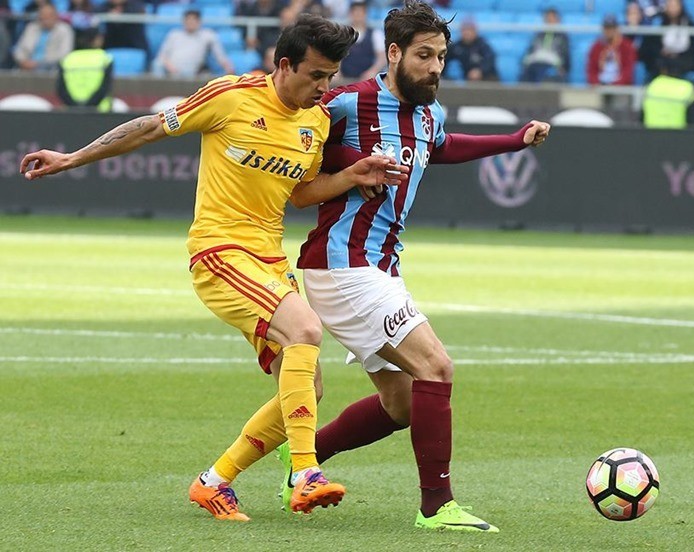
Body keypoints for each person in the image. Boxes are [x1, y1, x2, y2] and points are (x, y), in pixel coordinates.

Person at [19, 14, 407, 522]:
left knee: (306, 388)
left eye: (331, 76)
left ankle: (214, 481)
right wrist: (72, 158)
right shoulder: (231, 96)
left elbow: (299, 195)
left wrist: (352, 175)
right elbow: (149, 128)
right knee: (306, 330)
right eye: (316, 75)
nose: (323, 87)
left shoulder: (313, 123)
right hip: (220, 252)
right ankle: (305, 472)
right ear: (284, 64)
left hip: (268, 260)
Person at [276, 0, 548, 532]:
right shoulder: (345, 103)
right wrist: (351, 166)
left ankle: (304, 459)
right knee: (436, 367)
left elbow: (442, 147)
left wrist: (513, 140)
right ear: (394, 52)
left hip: (379, 268)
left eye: (441, 57)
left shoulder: (429, 114)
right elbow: (298, 152)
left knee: (401, 405)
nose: (435, 67)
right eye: (424, 55)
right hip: (343, 265)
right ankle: (437, 507)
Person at [153, 9, 234, 77]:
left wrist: (228, 68)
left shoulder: (207, 35)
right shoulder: (174, 34)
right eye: (188, 20)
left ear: (199, 21)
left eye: (193, 20)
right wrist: (171, 68)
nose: (190, 22)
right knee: (157, 63)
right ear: (184, 21)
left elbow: (220, 55)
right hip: (170, 69)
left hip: (190, 71)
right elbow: (162, 55)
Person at [639, 0, 694, 81]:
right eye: (670, 5)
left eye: (675, 5)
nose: (673, 9)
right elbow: (651, 45)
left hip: (683, 58)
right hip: (664, 58)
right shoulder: (659, 23)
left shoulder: (690, 24)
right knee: (656, 61)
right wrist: (662, 51)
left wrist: (677, 54)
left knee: (690, 61)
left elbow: (692, 48)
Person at [56, 29, 113, 111]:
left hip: (72, 111)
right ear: (97, 40)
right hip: (99, 111)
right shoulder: (105, 58)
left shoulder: (67, 59)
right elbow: (105, 87)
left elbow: (61, 89)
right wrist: (89, 106)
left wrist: (75, 107)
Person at [13, 3, 75, 71]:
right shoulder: (31, 28)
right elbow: (19, 49)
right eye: (43, 16)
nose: (46, 19)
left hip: (52, 69)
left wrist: (38, 64)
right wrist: (23, 61)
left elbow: (64, 54)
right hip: (26, 68)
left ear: (56, 16)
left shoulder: (65, 30)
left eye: (49, 16)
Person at [642, 59, 694, 128]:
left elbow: (641, 118)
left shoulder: (652, 85)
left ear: (663, 70)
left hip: (650, 133)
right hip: (678, 133)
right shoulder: (686, 88)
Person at [519, 7, 570, 83]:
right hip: (536, 62)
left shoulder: (562, 36)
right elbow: (530, 51)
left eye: (552, 19)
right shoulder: (538, 35)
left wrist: (563, 67)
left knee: (547, 74)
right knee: (527, 73)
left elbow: (565, 56)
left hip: (552, 64)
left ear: (558, 20)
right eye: (547, 19)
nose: (549, 21)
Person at [339, 1, 386, 80]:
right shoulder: (342, 34)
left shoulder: (375, 34)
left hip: (367, 79)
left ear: (366, 14)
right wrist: (337, 72)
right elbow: (337, 55)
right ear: (350, 14)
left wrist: (373, 71)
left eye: (361, 12)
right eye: (355, 12)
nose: (358, 15)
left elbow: (382, 57)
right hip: (344, 78)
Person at [587, 14, 637, 85]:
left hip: (620, 87)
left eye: (612, 28)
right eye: (606, 28)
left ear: (617, 29)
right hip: (600, 85)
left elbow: (628, 72)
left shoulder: (627, 47)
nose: (609, 31)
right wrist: (597, 84)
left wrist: (615, 85)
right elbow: (591, 71)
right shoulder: (596, 47)